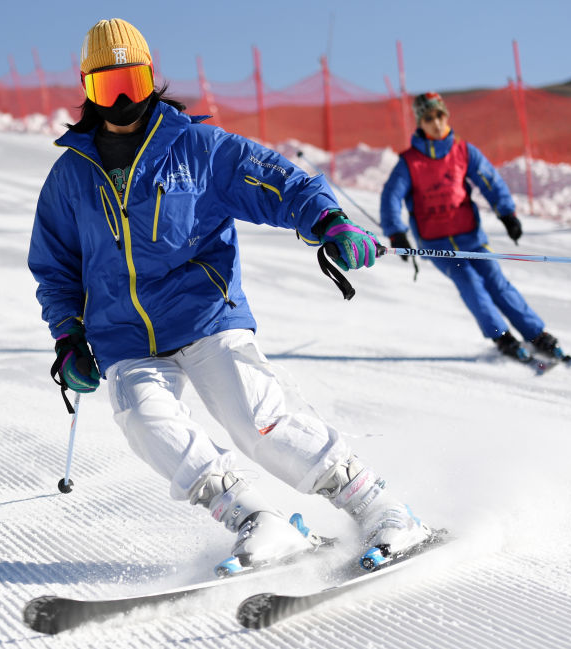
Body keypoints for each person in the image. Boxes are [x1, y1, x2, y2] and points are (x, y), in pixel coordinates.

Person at [29, 18, 433, 574]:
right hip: (124, 337)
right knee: (145, 420)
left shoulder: (195, 147)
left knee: (256, 419)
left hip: (206, 316)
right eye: (107, 86)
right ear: (86, 88)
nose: (122, 99)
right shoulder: (69, 178)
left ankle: (377, 504)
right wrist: (68, 336)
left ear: (151, 79)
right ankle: (257, 520)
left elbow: (276, 180)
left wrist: (328, 220)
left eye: (132, 81)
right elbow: (55, 268)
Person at [380, 91, 564, 362]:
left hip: (470, 236)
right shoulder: (410, 162)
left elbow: (490, 181)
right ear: (420, 122)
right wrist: (397, 233)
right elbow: (391, 196)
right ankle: (502, 337)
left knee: (495, 281)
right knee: (469, 282)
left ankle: (536, 334)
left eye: (440, 115)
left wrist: (507, 213)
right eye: (429, 118)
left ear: (447, 115)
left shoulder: (463, 152)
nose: (436, 123)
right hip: (436, 242)